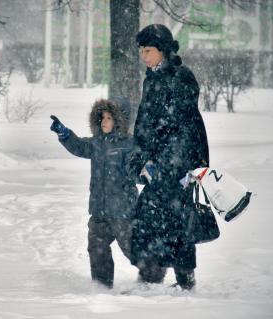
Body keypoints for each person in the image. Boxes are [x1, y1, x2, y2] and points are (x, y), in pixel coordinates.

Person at [128, 24, 209, 290]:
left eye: (148, 50)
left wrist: (174, 163)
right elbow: (144, 121)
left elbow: (185, 124)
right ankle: (150, 276)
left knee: (176, 221)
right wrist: (141, 158)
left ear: (162, 50)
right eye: (142, 50)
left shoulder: (180, 77)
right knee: (147, 219)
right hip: (156, 164)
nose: (144, 56)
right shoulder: (151, 77)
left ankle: (185, 280)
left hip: (178, 164)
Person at [50, 99, 138, 289]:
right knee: (96, 247)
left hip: (122, 211)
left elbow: (139, 171)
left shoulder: (129, 144)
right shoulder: (96, 143)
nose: (104, 122)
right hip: (99, 209)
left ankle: (152, 275)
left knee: (132, 248)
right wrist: (65, 134)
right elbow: (80, 146)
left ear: (119, 121)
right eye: (101, 118)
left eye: (108, 118)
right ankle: (101, 285)